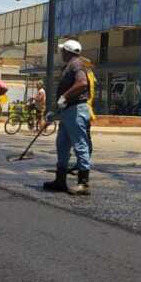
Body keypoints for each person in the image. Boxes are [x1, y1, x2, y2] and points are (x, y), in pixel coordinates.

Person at [43, 39, 92, 195]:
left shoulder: (77, 64)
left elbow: (82, 83)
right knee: (62, 145)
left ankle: (83, 184)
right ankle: (60, 180)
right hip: (68, 111)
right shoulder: (69, 66)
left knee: (80, 145)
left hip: (76, 111)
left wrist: (65, 95)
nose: (61, 53)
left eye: (62, 51)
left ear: (67, 51)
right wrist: (55, 113)